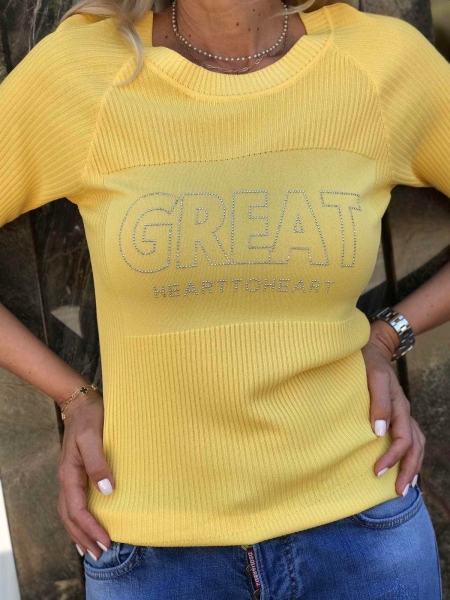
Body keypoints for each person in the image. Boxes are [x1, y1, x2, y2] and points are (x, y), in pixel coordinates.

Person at [0, 0, 448, 597]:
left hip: (364, 529)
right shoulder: (86, 72)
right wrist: (72, 396)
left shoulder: (380, 64)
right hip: (153, 553)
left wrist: (389, 334)